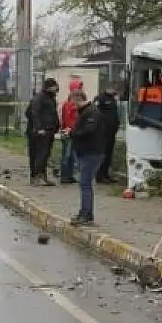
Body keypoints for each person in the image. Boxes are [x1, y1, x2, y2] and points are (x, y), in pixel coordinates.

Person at [68, 91, 104, 226]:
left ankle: (86, 214)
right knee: (84, 183)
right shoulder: (85, 112)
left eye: (73, 103)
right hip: (85, 152)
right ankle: (85, 212)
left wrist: (72, 133)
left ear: (79, 99)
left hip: (91, 153)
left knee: (85, 183)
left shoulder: (92, 112)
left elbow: (89, 130)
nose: (73, 106)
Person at [27, 78, 60, 186]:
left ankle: (43, 175)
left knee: (45, 155)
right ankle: (35, 176)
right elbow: (33, 113)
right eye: (54, 86)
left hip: (49, 130)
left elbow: (53, 114)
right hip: (41, 131)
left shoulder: (51, 98)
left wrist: (56, 126)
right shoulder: (39, 98)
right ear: (49, 87)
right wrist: (38, 128)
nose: (56, 89)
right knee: (38, 154)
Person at [58, 78, 84, 184]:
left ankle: (69, 175)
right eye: (79, 88)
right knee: (67, 155)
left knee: (72, 155)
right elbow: (68, 119)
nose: (81, 91)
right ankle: (65, 175)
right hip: (68, 131)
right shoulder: (69, 104)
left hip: (73, 131)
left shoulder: (74, 103)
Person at [94, 85, 120, 184]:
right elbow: (95, 111)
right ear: (108, 88)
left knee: (109, 154)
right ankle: (99, 176)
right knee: (102, 153)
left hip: (111, 131)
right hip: (103, 131)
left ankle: (106, 174)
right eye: (114, 89)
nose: (116, 91)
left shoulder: (113, 99)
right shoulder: (100, 98)